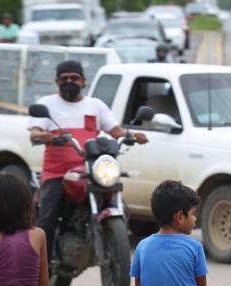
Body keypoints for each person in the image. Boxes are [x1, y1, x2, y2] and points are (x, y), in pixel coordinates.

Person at [27, 60, 147, 263]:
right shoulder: (47, 104)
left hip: (91, 170)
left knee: (117, 201)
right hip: (57, 173)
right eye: (64, 78)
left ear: (83, 80)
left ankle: (119, 273)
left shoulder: (96, 105)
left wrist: (133, 134)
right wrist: (44, 135)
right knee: (46, 221)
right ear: (56, 81)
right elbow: (35, 133)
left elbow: (115, 130)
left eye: (74, 78)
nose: (69, 82)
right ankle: (39, 275)